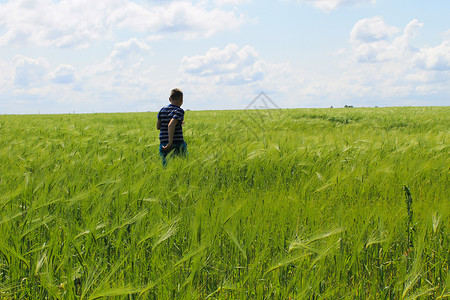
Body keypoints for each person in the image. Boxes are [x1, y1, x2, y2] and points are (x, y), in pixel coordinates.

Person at [157, 88, 187, 165]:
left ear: (170, 99)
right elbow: (171, 124)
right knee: (183, 164)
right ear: (181, 99)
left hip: (163, 143)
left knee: (165, 166)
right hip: (177, 143)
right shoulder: (179, 110)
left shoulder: (162, 110)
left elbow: (158, 126)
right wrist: (170, 142)